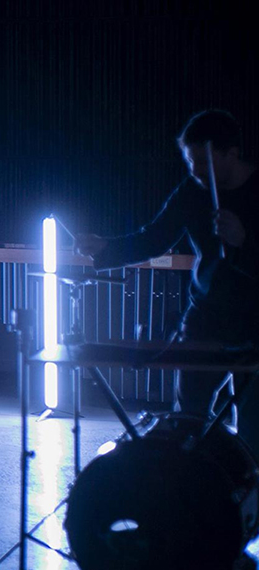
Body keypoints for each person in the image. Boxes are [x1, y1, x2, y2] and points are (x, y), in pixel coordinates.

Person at [76, 109, 259, 451]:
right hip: (207, 316)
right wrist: (107, 249)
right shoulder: (193, 190)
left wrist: (245, 241)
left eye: (203, 163)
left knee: (253, 431)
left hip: (255, 321)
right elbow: (155, 237)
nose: (195, 171)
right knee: (187, 418)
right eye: (190, 162)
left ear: (232, 154)